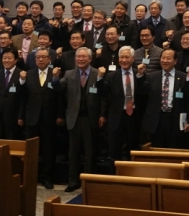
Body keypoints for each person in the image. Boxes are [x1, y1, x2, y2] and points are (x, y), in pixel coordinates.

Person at [52, 47, 105, 193]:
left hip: (90, 118)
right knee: (73, 153)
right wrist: (55, 78)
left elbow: (104, 95)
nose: (80, 59)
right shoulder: (69, 74)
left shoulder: (97, 73)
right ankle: (73, 181)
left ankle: (89, 182)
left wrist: (102, 115)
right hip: (74, 118)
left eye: (83, 56)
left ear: (90, 58)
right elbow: (58, 88)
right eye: (78, 57)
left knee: (90, 153)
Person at [19, 48, 61, 190]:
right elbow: (23, 97)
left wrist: (59, 115)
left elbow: (60, 97)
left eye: (43, 57)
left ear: (49, 59)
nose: (41, 60)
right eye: (38, 57)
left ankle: (46, 178)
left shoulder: (55, 73)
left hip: (49, 118)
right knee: (31, 150)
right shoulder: (28, 74)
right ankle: (31, 177)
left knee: (49, 150)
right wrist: (21, 116)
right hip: (31, 118)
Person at [142, 48, 189, 149]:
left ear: (175, 61)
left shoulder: (183, 77)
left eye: (168, 58)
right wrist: (140, 75)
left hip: (175, 119)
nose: (165, 61)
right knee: (157, 150)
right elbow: (142, 93)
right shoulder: (152, 76)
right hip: (157, 120)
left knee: (174, 150)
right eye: (163, 58)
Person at [103, 46, 144, 167]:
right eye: (121, 57)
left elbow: (144, 92)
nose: (124, 60)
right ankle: (114, 176)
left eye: (127, 57)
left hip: (134, 117)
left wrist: (141, 76)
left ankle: (132, 176)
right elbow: (103, 94)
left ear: (133, 59)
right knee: (114, 152)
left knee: (133, 150)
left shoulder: (139, 74)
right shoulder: (111, 76)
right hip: (117, 117)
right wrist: (99, 78)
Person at [0, 48, 23, 140]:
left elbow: (23, 97)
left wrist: (21, 116)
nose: (6, 60)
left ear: (16, 60)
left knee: (12, 144)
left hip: (13, 117)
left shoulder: (21, 74)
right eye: (4, 58)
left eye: (9, 58)